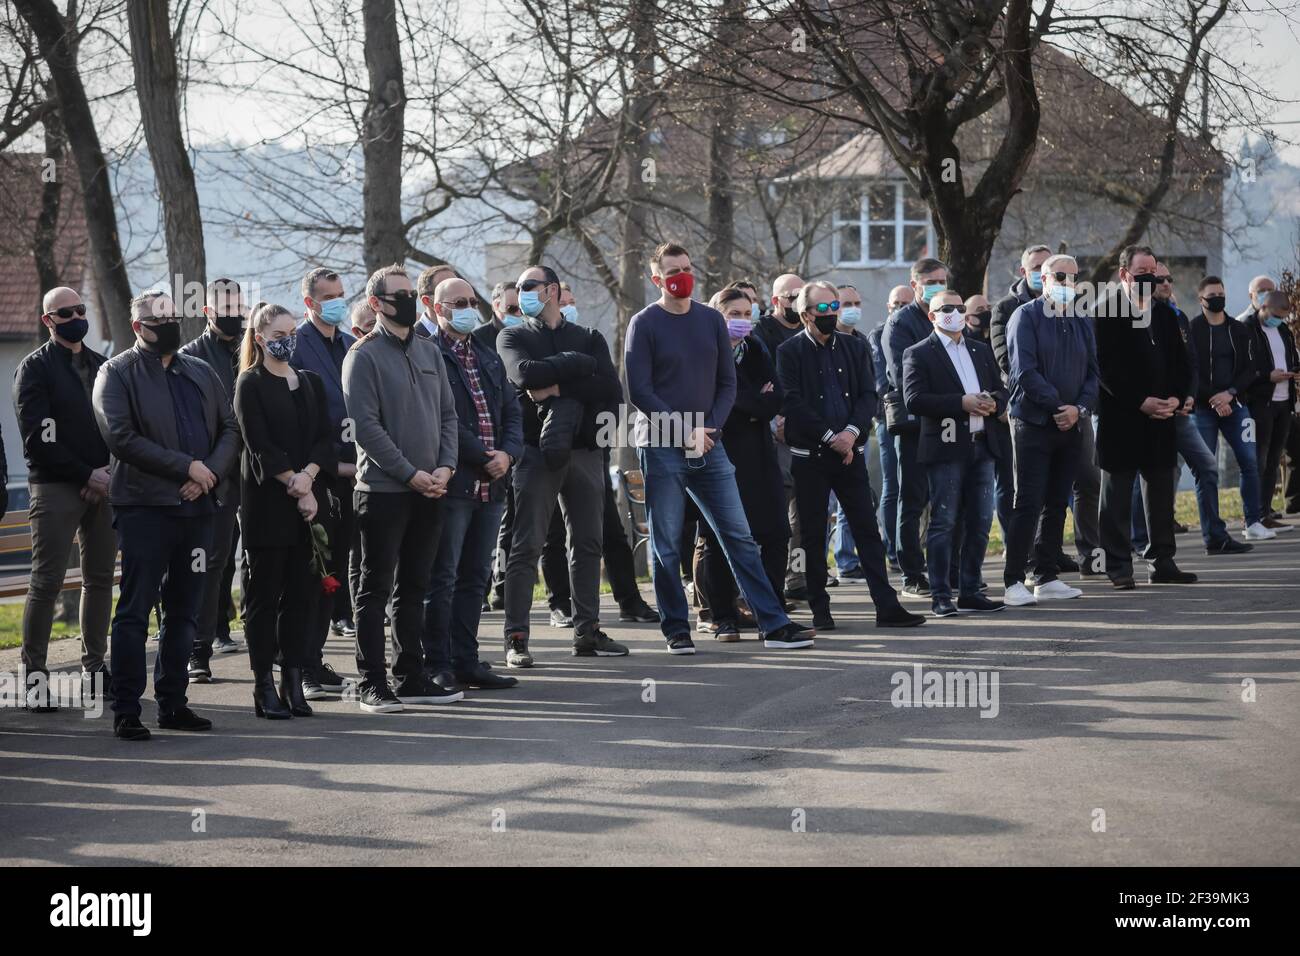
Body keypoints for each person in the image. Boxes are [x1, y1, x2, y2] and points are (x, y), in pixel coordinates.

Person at [626, 243, 817, 652]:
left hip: (710, 443)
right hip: (662, 444)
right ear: (656, 278)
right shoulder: (644, 324)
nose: (683, 275)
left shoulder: (710, 320)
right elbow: (640, 390)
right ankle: (676, 628)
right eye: (673, 270)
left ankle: (773, 623)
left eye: (687, 267)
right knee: (667, 539)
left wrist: (707, 427)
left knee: (739, 535)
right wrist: (683, 431)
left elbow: (727, 382)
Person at [93, 291, 240, 740]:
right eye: (160, 319)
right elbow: (120, 437)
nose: (171, 323)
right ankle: (127, 708)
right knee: (136, 610)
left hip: (198, 509)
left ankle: (174, 703)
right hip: (145, 509)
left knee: (185, 609)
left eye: (175, 316)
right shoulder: (115, 372)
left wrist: (208, 472)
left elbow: (230, 428)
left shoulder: (201, 370)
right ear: (138, 327)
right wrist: (185, 467)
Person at [342, 263, 461, 713]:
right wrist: (410, 473)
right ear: (376, 304)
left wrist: (446, 467)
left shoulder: (430, 352)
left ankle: (409, 674)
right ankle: (373, 683)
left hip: (432, 489)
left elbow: (448, 416)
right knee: (374, 590)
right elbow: (366, 428)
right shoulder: (363, 356)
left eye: (413, 292)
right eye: (400, 295)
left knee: (414, 587)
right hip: (382, 492)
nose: (410, 300)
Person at [496, 264, 627, 665]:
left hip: (585, 451)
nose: (523, 294)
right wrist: (577, 366)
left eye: (529, 287)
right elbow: (523, 374)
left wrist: (555, 385)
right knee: (527, 545)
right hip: (535, 453)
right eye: (519, 289)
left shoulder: (588, 337)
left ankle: (586, 632)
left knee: (587, 543)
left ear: (551, 290)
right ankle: (516, 638)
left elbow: (609, 387)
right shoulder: (512, 334)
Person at [776, 280, 925, 630]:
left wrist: (851, 434)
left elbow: (866, 397)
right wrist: (831, 437)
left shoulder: (854, 347)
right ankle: (820, 610)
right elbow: (793, 401)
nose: (831, 314)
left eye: (834, 307)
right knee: (812, 535)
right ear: (805, 314)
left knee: (866, 530)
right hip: (811, 456)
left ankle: (887, 606)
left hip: (849, 453)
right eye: (823, 309)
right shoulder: (789, 352)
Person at [417, 270, 522, 691]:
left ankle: (467, 660)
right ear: (434, 307)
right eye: (456, 304)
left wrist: (509, 454)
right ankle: (436, 662)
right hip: (455, 482)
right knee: (443, 576)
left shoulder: (486, 351)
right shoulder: (427, 353)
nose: (466, 310)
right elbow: (444, 420)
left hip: (492, 484)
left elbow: (512, 409)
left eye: (470, 302)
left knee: (476, 577)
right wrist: (483, 457)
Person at [14, 287, 115, 711]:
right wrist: (84, 474)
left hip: (105, 484)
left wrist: (106, 471)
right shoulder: (33, 369)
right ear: (48, 321)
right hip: (56, 487)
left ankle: (95, 667)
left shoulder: (102, 365)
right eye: (65, 312)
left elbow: (118, 424)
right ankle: (35, 678)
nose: (76, 316)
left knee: (99, 579)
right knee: (46, 582)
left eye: (80, 309)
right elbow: (38, 439)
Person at [233, 303, 333, 719]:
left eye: (292, 331)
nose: (286, 340)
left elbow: (325, 440)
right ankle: (262, 685)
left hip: (307, 501)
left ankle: (293, 679)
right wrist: (294, 482)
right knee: (264, 595)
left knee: (302, 595)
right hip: (268, 503)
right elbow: (259, 445)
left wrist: (308, 478)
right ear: (259, 338)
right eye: (278, 334)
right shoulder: (249, 384)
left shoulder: (309, 382)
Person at [539, 285, 658, 627]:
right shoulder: (537, 343)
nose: (571, 308)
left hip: (593, 447)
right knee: (554, 535)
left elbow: (609, 390)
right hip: (553, 449)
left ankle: (629, 599)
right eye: (565, 303)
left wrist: (566, 388)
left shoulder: (589, 339)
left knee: (611, 530)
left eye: (574, 302)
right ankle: (561, 604)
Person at [1094, 245, 1197, 588]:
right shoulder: (1105, 311)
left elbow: (1182, 364)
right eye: (1142, 275)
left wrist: (1175, 398)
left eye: (1153, 274)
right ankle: (1119, 566)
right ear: (1124, 275)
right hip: (1122, 419)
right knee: (1118, 498)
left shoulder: (1165, 314)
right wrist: (1141, 401)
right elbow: (1105, 369)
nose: (1149, 280)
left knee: (1161, 496)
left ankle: (1162, 561)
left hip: (1162, 419)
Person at [903, 291, 1008, 616]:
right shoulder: (919, 353)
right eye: (946, 308)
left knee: (979, 521)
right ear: (932, 316)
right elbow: (914, 399)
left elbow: (1001, 388)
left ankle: (971, 588)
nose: (955, 313)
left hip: (983, 445)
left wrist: (994, 401)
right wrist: (960, 403)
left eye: (960, 308)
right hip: (946, 448)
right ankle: (940, 594)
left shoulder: (979, 348)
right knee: (944, 520)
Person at [1132, 265, 1250, 555]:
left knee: (1207, 466)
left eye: (1170, 278)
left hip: (1181, 412)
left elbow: (1190, 365)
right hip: (1150, 412)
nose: (1167, 283)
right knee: (1145, 477)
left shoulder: (1178, 317)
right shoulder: (1136, 316)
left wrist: (1187, 396)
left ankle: (1215, 537)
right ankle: (1138, 540)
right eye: (1160, 279)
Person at [692, 288, 789, 640]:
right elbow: (712, 402)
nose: (742, 320)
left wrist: (738, 402)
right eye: (734, 313)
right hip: (721, 453)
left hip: (760, 454)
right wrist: (750, 402)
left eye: (747, 313)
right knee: (721, 537)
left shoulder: (757, 348)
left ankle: (773, 613)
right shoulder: (705, 352)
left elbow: (775, 397)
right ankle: (723, 616)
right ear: (717, 315)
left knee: (776, 533)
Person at [1002, 256, 1098, 606]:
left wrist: (1079, 409)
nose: (1068, 281)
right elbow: (1023, 372)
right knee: (1028, 502)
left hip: (1071, 424)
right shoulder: (1024, 317)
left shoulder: (1081, 320)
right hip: (1034, 423)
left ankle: (1046, 576)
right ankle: (1014, 580)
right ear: (1043, 278)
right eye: (1061, 276)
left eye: (1074, 276)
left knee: (1058, 502)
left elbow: (1092, 373)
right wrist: (1059, 407)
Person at [290, 267, 357, 698]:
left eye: (341, 294)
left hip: (357, 477)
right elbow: (297, 421)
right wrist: (326, 467)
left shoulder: (353, 345)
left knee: (337, 574)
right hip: (314, 479)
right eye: (328, 295)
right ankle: (303, 666)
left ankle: (315, 661)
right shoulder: (295, 346)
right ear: (310, 302)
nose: (338, 301)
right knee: (312, 576)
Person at [180, 279, 247, 684]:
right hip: (215, 476)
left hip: (258, 474)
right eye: (225, 307)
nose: (234, 313)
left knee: (256, 560)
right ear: (207, 311)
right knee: (211, 563)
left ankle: (269, 641)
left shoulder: (252, 347)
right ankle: (199, 649)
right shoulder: (191, 358)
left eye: (239, 306)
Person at [1188, 275, 1274, 542]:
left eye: (1221, 294)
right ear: (1201, 300)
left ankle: (1253, 521)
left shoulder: (1239, 329)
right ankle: (1212, 533)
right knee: (1206, 469)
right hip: (1203, 409)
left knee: (1249, 461)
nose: (1218, 300)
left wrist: (1230, 394)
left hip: (1237, 406)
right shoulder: (1192, 330)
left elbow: (1250, 369)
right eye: (1212, 295)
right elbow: (1190, 371)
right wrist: (1213, 397)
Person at [883, 257, 950, 596]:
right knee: (912, 499)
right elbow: (902, 375)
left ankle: (944, 568)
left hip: (948, 421)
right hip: (914, 424)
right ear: (915, 285)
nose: (938, 286)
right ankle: (911, 571)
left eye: (942, 280)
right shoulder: (900, 323)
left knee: (944, 497)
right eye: (931, 281)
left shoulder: (949, 316)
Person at [754, 272, 807, 601]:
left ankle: (797, 576)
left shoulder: (809, 330)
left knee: (803, 515)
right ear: (775, 301)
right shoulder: (761, 334)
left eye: (802, 297)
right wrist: (777, 418)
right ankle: (767, 579)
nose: (797, 304)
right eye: (791, 298)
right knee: (776, 510)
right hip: (773, 432)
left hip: (805, 431)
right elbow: (763, 384)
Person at [1242, 289, 1299, 528]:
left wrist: (1294, 370)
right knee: (1259, 459)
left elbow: (1290, 357)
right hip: (1261, 403)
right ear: (1263, 307)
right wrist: (1267, 376)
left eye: (1283, 317)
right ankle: (1253, 515)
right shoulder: (1248, 328)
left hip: (1284, 401)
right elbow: (1244, 367)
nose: (1279, 320)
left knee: (1275, 459)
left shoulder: (1283, 330)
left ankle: (1265, 513)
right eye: (1275, 315)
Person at [867, 284, 911, 571]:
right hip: (891, 420)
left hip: (926, 420)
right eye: (897, 303)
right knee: (892, 487)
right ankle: (894, 552)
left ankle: (913, 546)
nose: (901, 307)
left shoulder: (922, 330)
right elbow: (882, 382)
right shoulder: (878, 335)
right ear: (888, 306)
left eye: (906, 302)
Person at [826, 282, 866, 582]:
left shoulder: (861, 342)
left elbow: (867, 391)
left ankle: (848, 560)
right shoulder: (825, 344)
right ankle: (820, 564)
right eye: (845, 303)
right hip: (825, 438)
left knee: (853, 505)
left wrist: (853, 431)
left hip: (855, 434)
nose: (852, 309)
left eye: (856, 303)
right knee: (825, 508)